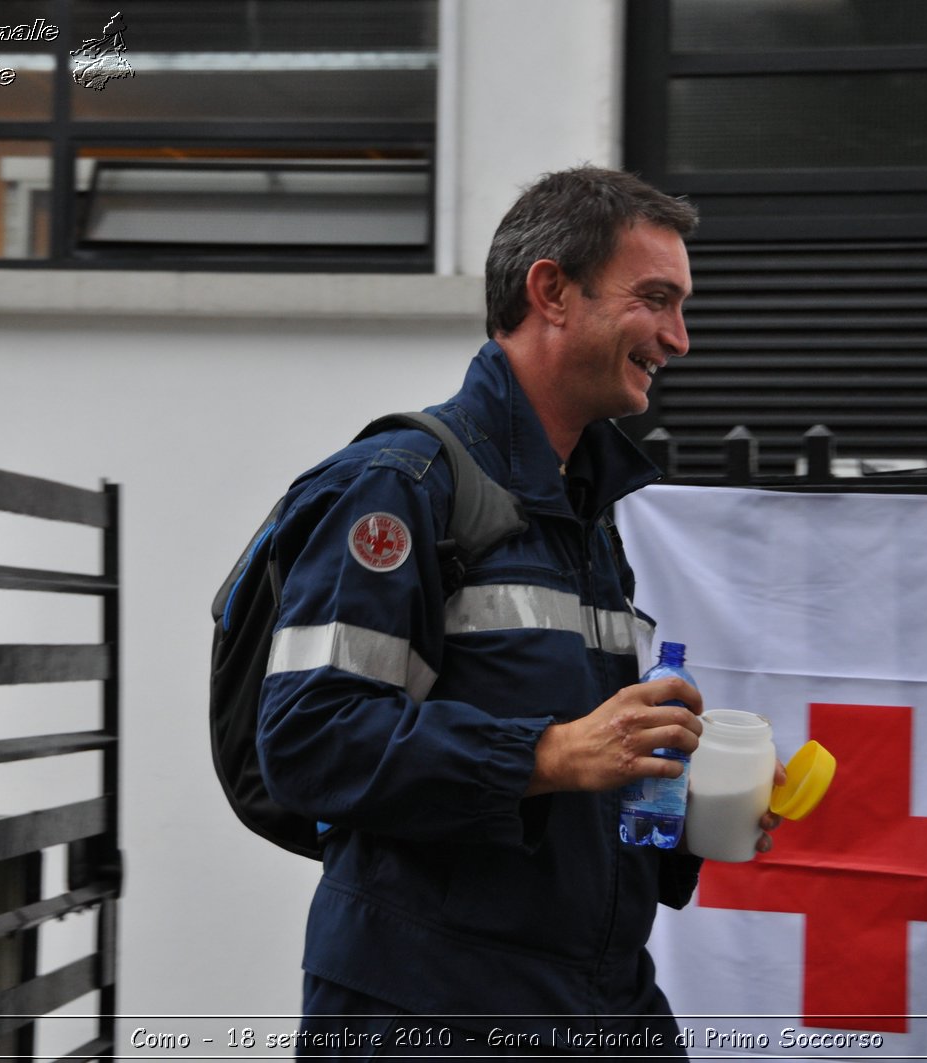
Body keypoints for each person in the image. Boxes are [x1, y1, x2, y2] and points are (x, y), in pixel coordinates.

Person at [254, 166, 784, 1058]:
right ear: (551, 291)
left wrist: (688, 810)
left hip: (595, 1000)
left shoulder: (583, 510)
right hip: (429, 1011)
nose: (679, 338)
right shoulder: (397, 487)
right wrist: (551, 752)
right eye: (656, 298)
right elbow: (307, 738)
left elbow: (577, 773)